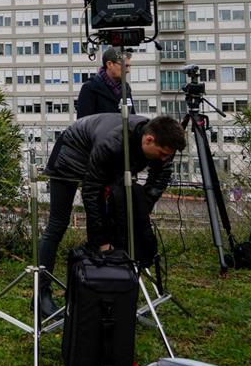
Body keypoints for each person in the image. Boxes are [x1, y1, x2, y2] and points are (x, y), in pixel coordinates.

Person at [36, 113, 186, 317]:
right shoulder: (113, 143)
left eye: (168, 155)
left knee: (117, 214)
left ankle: (107, 283)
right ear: (149, 140)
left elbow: (160, 176)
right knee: (57, 224)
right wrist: (102, 240)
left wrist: (141, 208)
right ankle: (41, 295)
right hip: (71, 154)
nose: (164, 159)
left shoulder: (161, 138)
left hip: (101, 160)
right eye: (162, 154)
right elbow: (91, 192)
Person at [75, 46, 135, 118]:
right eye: (125, 66)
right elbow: (83, 124)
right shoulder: (90, 88)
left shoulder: (126, 88)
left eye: (129, 66)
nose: (128, 70)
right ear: (109, 64)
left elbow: (132, 118)